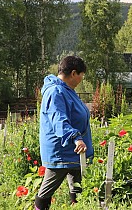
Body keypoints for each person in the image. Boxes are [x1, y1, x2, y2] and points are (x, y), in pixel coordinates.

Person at [34, 56, 93, 210]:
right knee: (46, 191)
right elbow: (58, 120)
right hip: (62, 151)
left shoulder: (67, 91)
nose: (81, 79)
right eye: (81, 75)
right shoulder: (55, 92)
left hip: (73, 151)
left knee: (77, 188)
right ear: (73, 73)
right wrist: (75, 138)